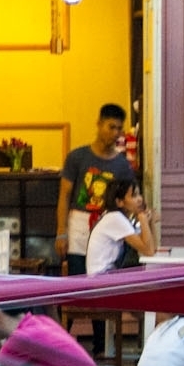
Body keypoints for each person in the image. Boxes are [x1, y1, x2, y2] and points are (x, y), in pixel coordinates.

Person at [55, 103, 134, 275]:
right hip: (79, 227)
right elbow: (64, 195)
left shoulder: (123, 165)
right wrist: (62, 232)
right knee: (78, 281)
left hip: (107, 228)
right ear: (99, 124)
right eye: (111, 127)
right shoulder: (77, 157)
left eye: (119, 129)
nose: (115, 133)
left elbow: (128, 202)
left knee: (102, 284)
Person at [84, 177, 155, 274]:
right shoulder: (114, 218)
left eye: (139, 194)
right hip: (102, 277)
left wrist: (150, 222)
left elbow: (150, 248)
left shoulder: (124, 219)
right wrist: (143, 219)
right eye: (134, 196)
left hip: (109, 274)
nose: (140, 199)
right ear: (119, 202)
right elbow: (148, 251)